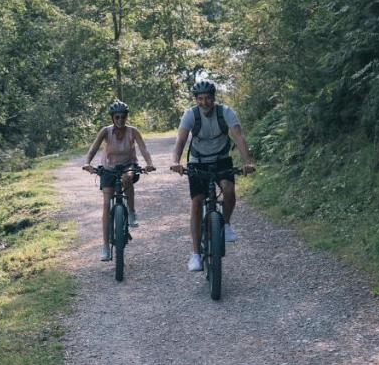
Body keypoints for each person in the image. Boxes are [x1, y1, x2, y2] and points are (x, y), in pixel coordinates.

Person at [169, 80, 255, 272]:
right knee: (197, 202)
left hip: (221, 159)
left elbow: (238, 137)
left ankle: (224, 225)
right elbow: (180, 140)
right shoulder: (191, 114)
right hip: (198, 161)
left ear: (214, 98)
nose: (204, 102)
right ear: (196, 100)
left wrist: (247, 161)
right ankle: (195, 255)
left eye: (208, 98)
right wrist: (175, 160)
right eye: (200, 99)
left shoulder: (225, 112)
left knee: (229, 190)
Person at [82, 101, 155, 262]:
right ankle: (105, 247)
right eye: (117, 117)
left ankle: (131, 212)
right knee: (107, 204)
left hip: (128, 165)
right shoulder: (106, 132)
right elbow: (93, 148)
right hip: (109, 168)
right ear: (113, 117)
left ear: (127, 117)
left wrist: (149, 163)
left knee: (127, 177)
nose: (120, 120)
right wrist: (87, 163)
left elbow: (144, 149)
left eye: (123, 117)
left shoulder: (133, 131)